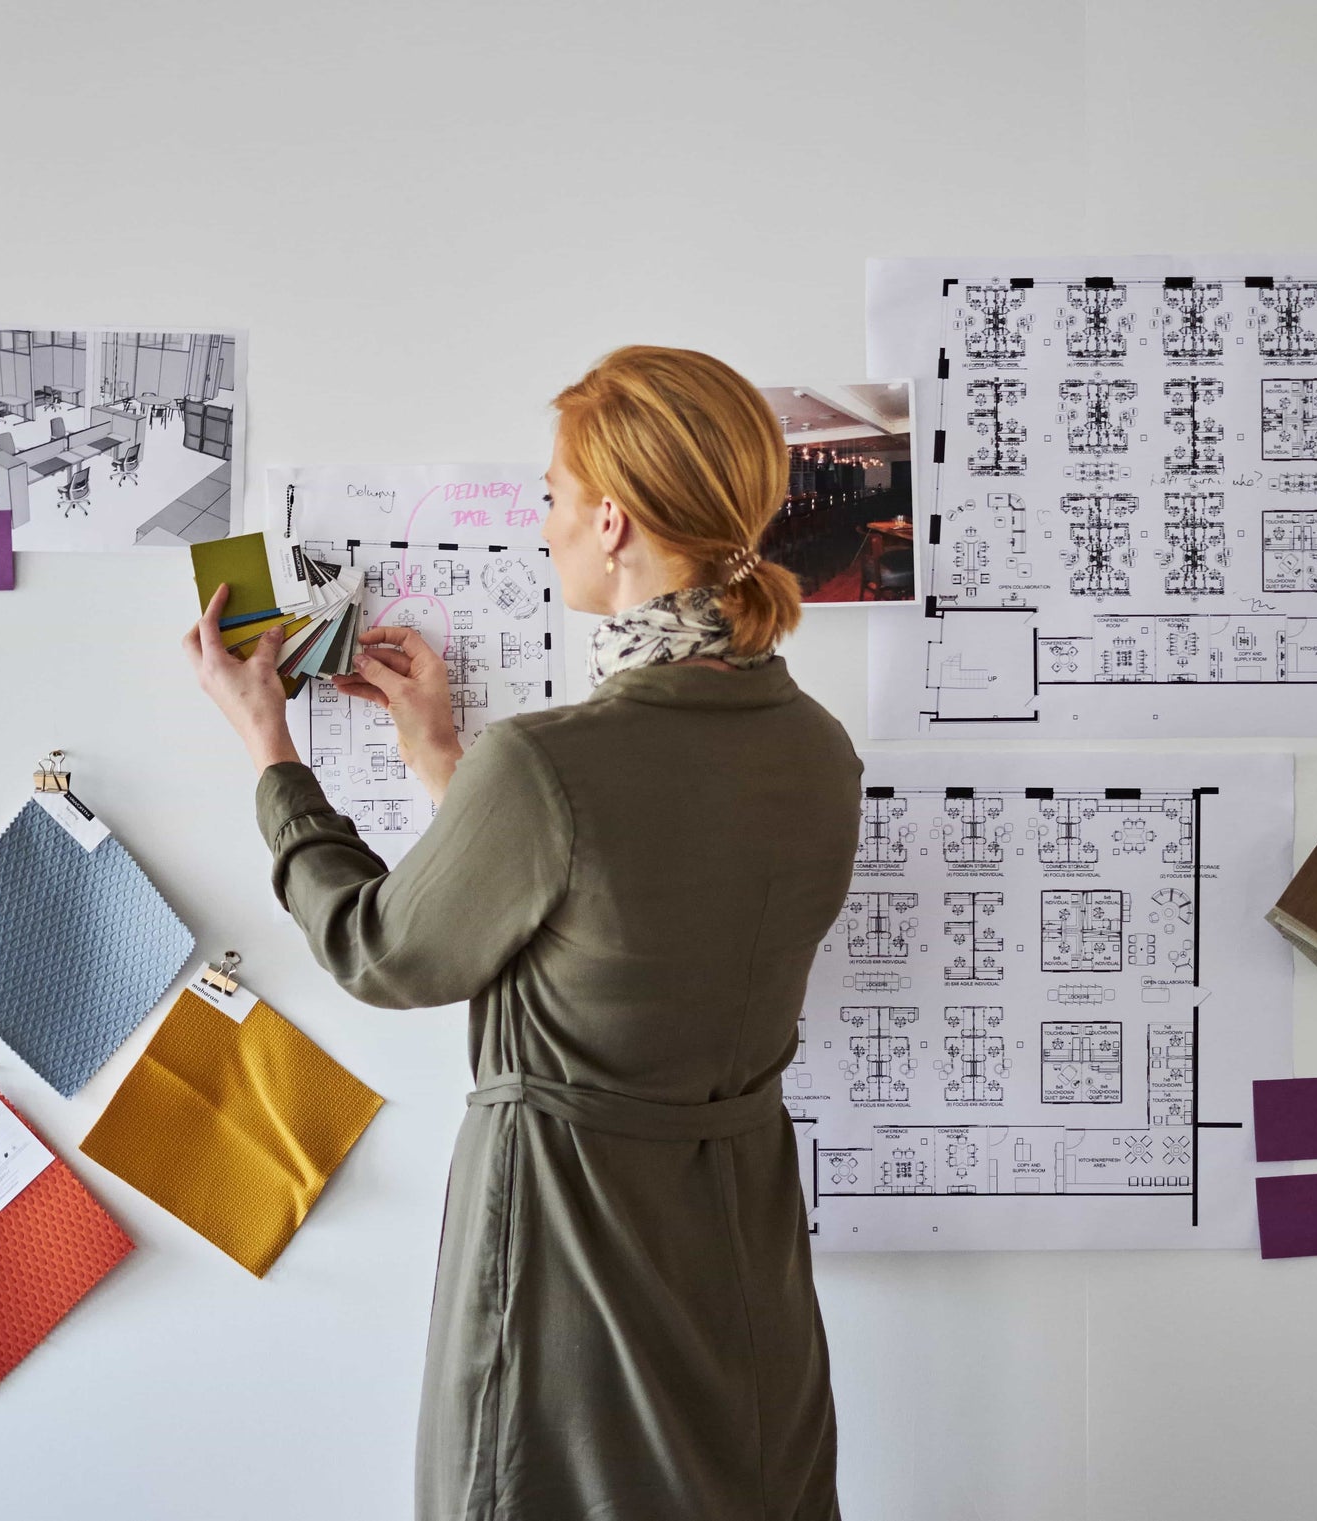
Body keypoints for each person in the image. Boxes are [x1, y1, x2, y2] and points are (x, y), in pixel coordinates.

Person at [183, 345, 862, 1521]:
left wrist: (270, 750)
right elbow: (610, 901)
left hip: (567, 1248)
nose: (540, 524)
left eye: (550, 496)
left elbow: (379, 951)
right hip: (737, 1246)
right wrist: (447, 761)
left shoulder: (552, 764)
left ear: (612, 520)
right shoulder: (818, 750)